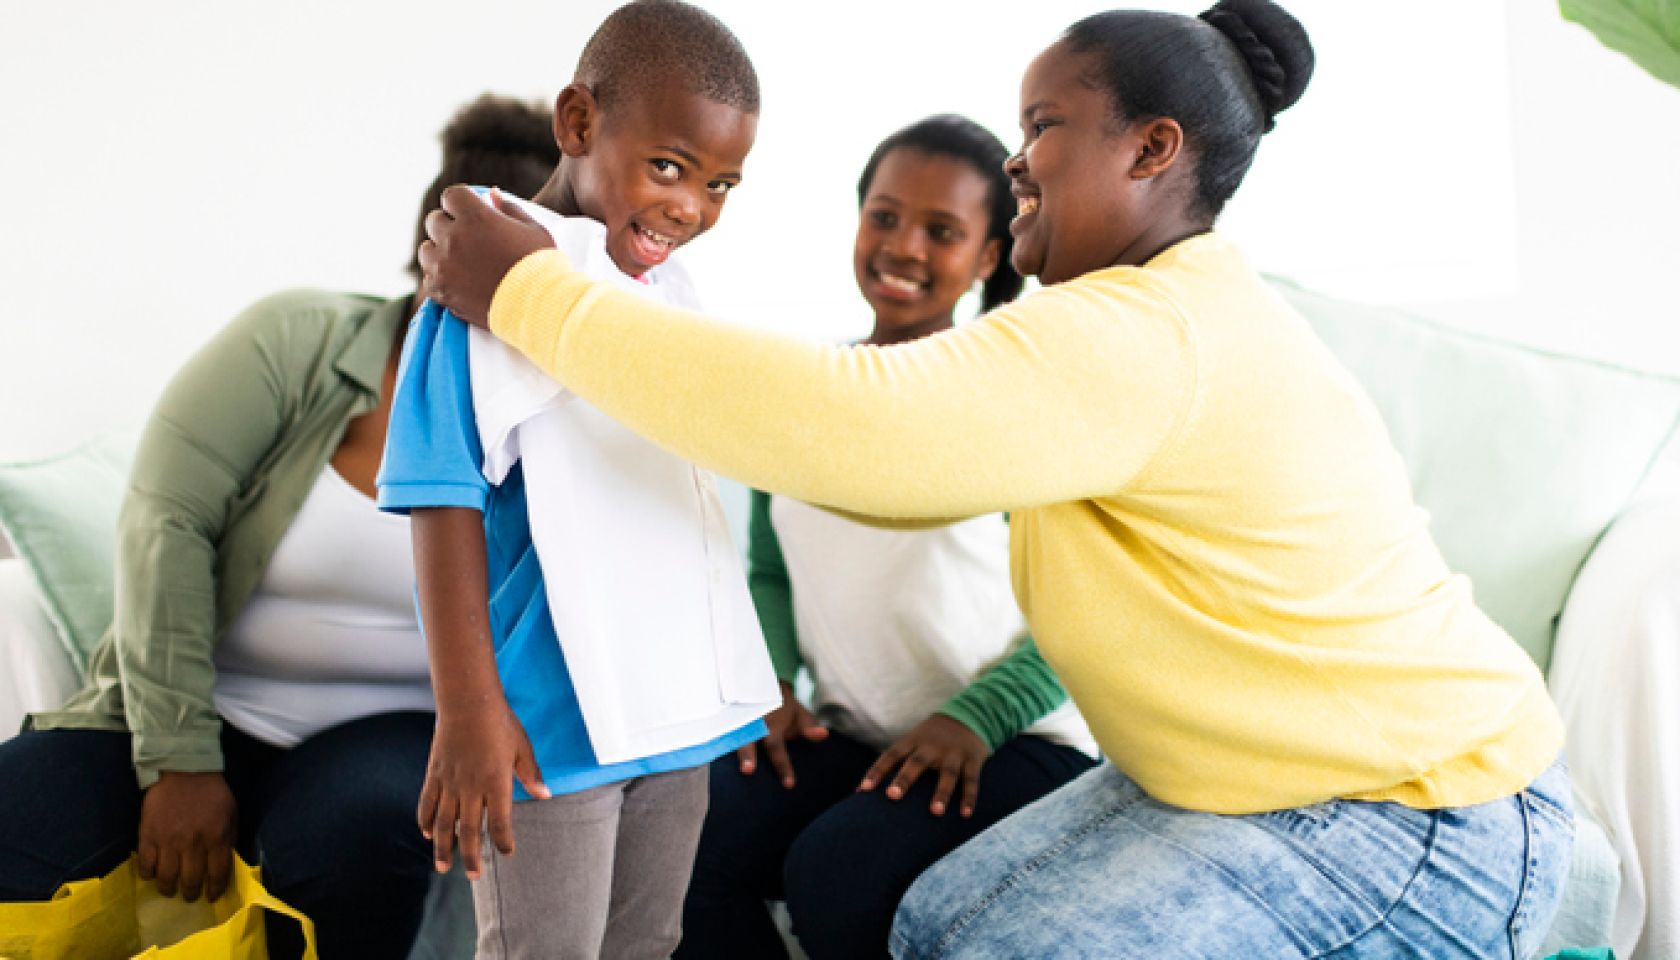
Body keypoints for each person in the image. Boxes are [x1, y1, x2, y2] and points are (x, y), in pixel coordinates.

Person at [417, 0, 1579, 956]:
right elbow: (863, 480)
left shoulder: (1142, 335)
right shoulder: (1125, 322)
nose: (1016, 156)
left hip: (1420, 814)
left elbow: (852, 433)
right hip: (1251, 783)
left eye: (1044, 126)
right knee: (939, 923)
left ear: (1151, 148)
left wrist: (529, 291)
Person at [0, 94, 558, 958]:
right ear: (430, 248)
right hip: (194, 704)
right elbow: (165, 523)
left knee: (354, 848)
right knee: (17, 817)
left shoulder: (567, 422)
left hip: (393, 733)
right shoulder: (297, 341)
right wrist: (180, 762)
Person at [375, 3, 779, 957]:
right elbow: (441, 498)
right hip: (547, 731)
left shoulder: (669, 297)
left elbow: (687, 497)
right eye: (672, 167)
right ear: (579, 124)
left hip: (675, 726)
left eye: (722, 184)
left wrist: (723, 683)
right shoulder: (483, 278)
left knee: (648, 947)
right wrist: (470, 710)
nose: (692, 207)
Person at [677, 115, 1097, 960]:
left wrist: (973, 720)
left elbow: (1090, 616)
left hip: (1013, 742)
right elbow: (770, 571)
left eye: (942, 231)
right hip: (858, 735)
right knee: (682, 835)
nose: (904, 246)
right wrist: (773, 688)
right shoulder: (799, 396)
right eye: (885, 216)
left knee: (836, 871)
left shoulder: (1019, 410)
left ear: (988, 255)